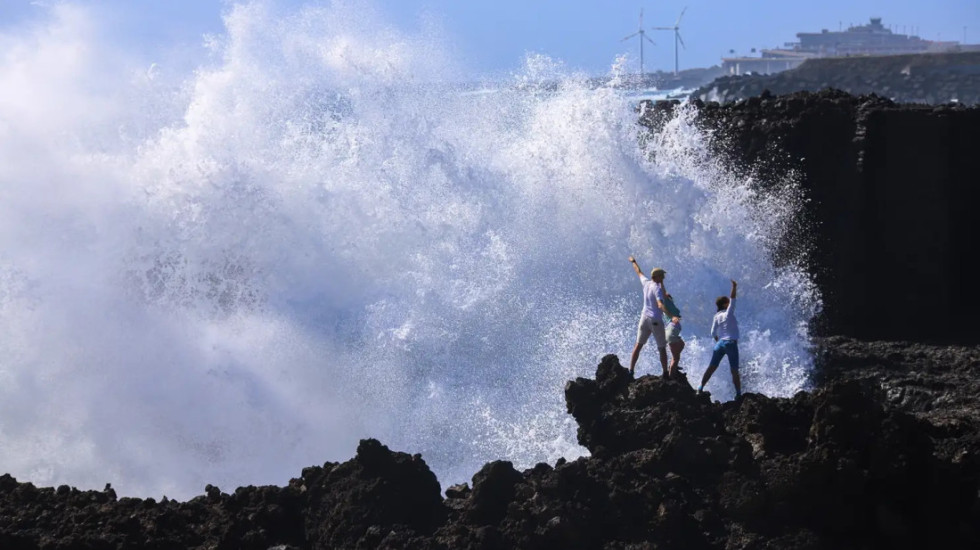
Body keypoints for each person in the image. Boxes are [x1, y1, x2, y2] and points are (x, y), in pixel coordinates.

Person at [627, 256, 679, 376]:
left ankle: (631, 370)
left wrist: (633, 261)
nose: (664, 277)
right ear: (657, 277)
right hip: (655, 320)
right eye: (662, 276)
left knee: (638, 345)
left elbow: (638, 271)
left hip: (644, 318)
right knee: (662, 348)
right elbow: (660, 305)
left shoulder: (646, 283)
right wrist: (672, 317)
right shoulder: (657, 289)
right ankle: (665, 372)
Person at [698, 279, 741, 399]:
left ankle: (700, 387)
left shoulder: (716, 316)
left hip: (720, 344)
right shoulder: (729, 313)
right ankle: (738, 394)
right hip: (731, 344)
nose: (729, 304)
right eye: (727, 303)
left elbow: (712, 333)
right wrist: (734, 286)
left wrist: (719, 342)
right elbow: (733, 299)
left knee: (711, 367)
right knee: (734, 370)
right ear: (724, 305)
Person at [661, 291, 685, 377]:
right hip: (671, 332)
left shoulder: (670, 308)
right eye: (668, 297)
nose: (670, 297)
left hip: (670, 332)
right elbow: (662, 294)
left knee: (682, 344)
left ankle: (673, 365)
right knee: (676, 358)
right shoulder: (666, 302)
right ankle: (671, 376)